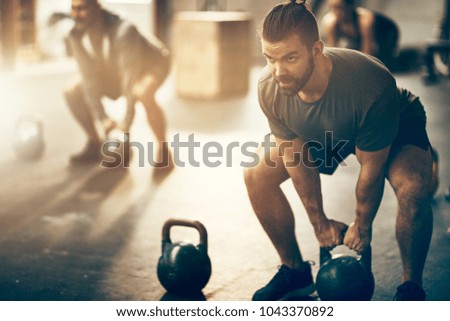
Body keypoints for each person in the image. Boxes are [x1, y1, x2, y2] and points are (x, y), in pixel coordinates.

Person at [244, 0, 434, 301]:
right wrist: (319, 223)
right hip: (324, 129)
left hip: (391, 121)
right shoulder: (271, 87)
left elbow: (370, 170)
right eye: (270, 58)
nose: (278, 71)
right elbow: (296, 159)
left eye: (290, 58)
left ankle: (411, 288)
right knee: (256, 175)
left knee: (413, 188)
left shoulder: (371, 83)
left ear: (316, 50)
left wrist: (362, 224)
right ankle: (294, 272)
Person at [65, 0, 172, 168]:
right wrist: (104, 120)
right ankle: (95, 144)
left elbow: (129, 78)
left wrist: (125, 128)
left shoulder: (124, 30)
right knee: (72, 91)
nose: (76, 14)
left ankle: (164, 150)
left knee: (142, 91)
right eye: (73, 8)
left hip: (151, 65)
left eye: (82, 8)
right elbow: (88, 79)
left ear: (97, 8)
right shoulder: (75, 35)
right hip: (112, 68)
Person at [321, 0, 399, 70]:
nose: (337, 12)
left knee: (383, 64)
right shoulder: (330, 22)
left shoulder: (365, 20)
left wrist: (359, 70)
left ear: (350, 7)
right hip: (358, 37)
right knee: (351, 56)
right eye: (333, 8)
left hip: (387, 32)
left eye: (341, 8)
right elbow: (333, 51)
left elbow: (368, 50)